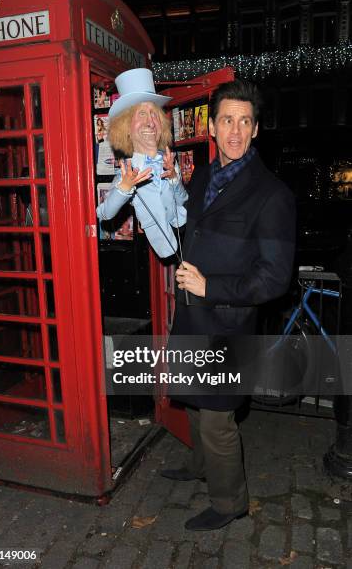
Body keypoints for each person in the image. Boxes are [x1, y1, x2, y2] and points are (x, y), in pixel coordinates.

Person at [161, 79, 296, 531]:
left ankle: (229, 502)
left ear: (256, 129)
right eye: (226, 120)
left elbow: (274, 278)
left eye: (244, 121)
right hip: (193, 316)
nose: (235, 131)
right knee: (196, 404)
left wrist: (209, 286)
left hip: (229, 322)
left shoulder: (273, 194)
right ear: (212, 128)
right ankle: (200, 466)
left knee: (218, 418)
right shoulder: (200, 176)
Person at [96, 68, 187, 258]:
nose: (150, 122)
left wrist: (174, 178)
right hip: (158, 244)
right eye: (141, 114)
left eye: (154, 114)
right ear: (127, 128)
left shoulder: (169, 160)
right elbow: (104, 214)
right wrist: (125, 187)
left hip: (187, 231)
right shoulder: (128, 170)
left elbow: (183, 201)